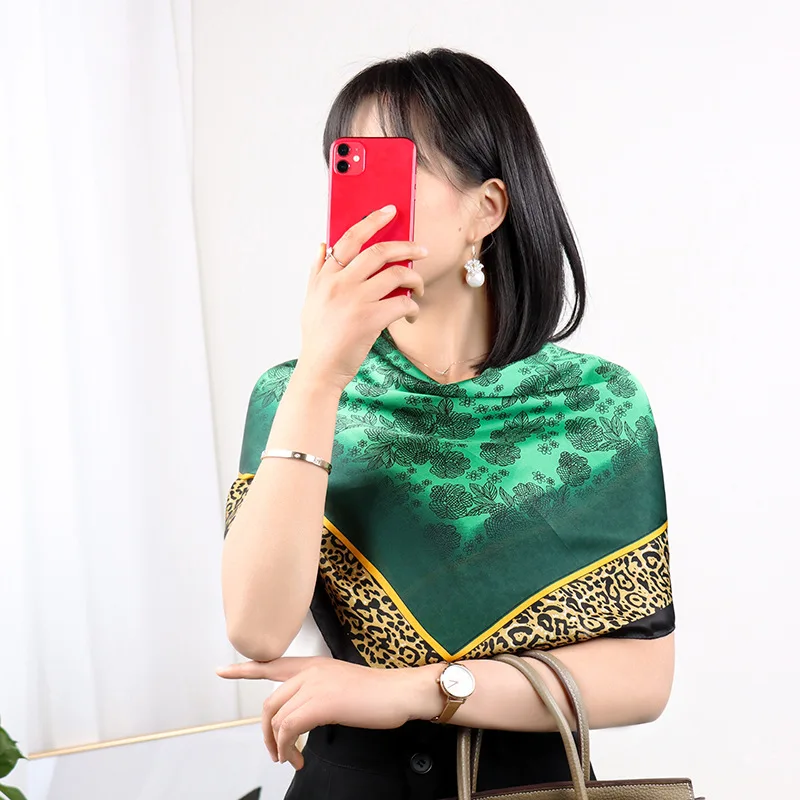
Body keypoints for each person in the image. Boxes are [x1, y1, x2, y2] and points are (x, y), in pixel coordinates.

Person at [216, 48, 675, 800]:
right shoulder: (293, 392)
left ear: (486, 209)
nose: (364, 205)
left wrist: (410, 691)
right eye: (349, 169)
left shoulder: (599, 405)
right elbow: (257, 629)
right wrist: (320, 375)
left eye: (396, 171)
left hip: (533, 789)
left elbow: (643, 679)